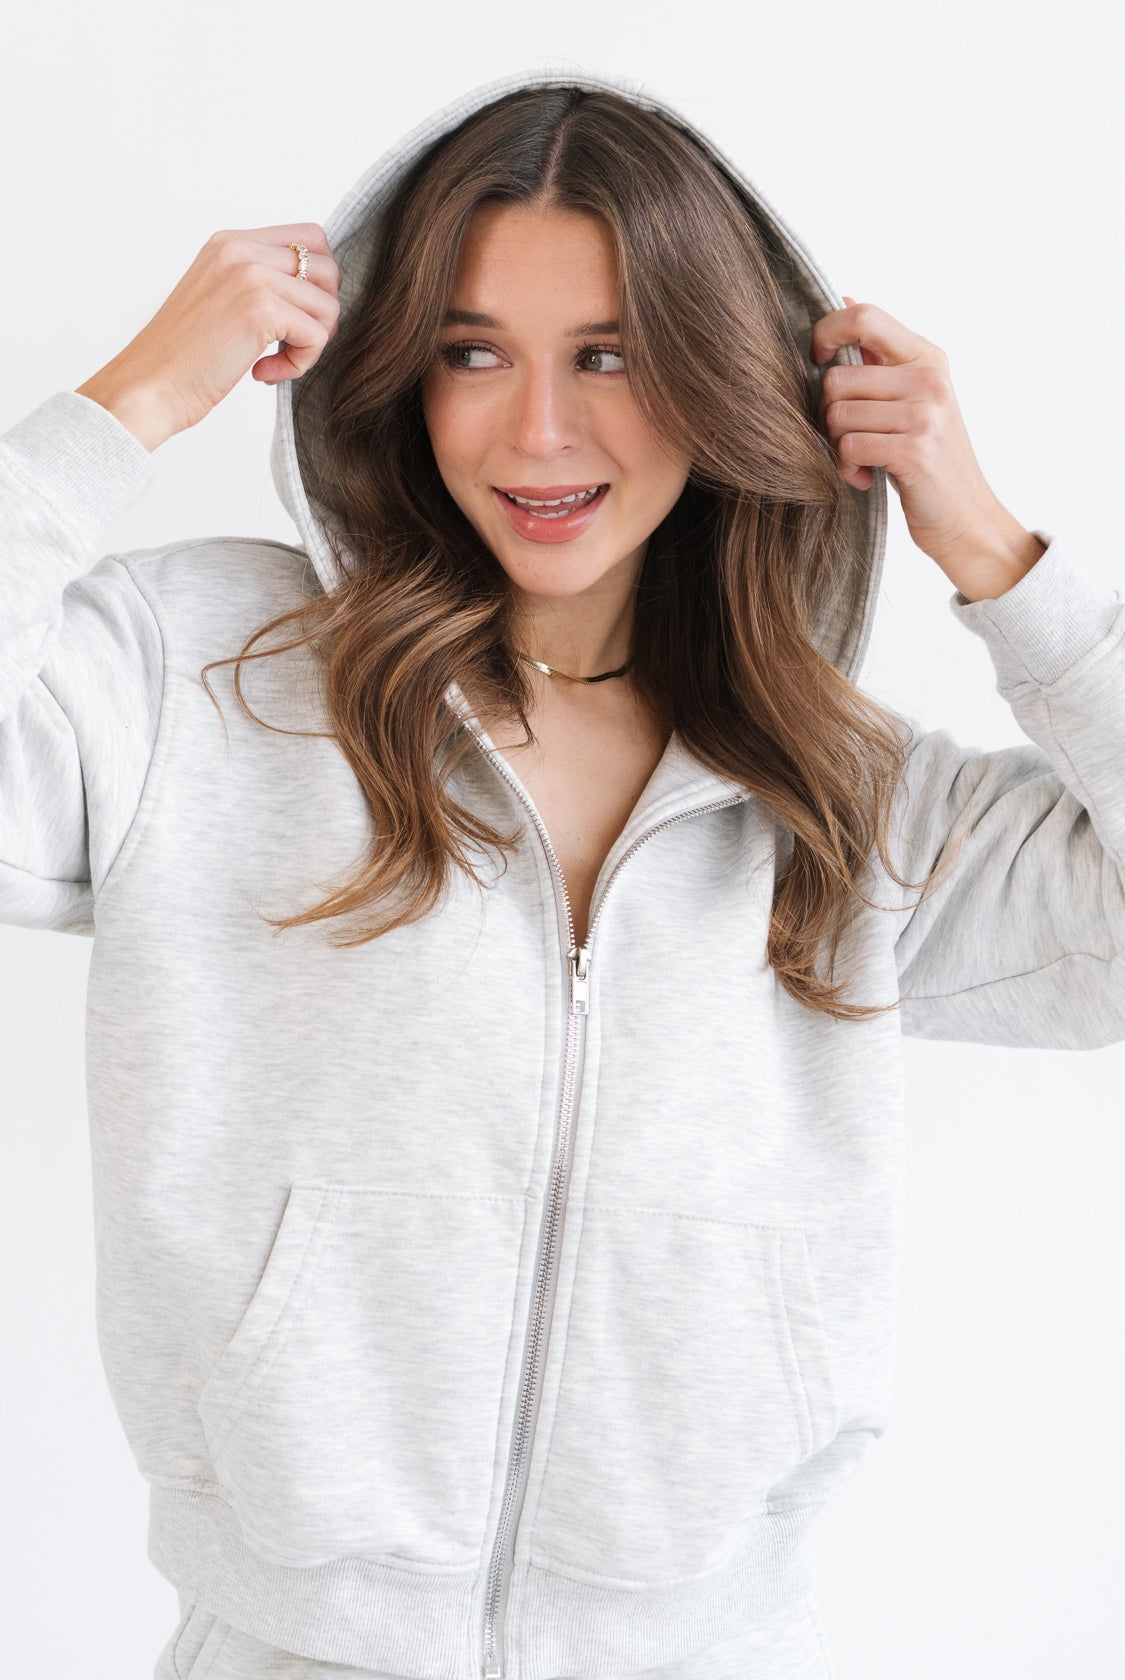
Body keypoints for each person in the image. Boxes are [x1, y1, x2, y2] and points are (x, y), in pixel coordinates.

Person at [2, 66, 1122, 1680]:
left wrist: (996, 555)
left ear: (722, 374)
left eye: (612, 355)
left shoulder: (843, 798)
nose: (537, 432)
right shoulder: (202, 680)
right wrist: (127, 406)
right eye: (473, 353)